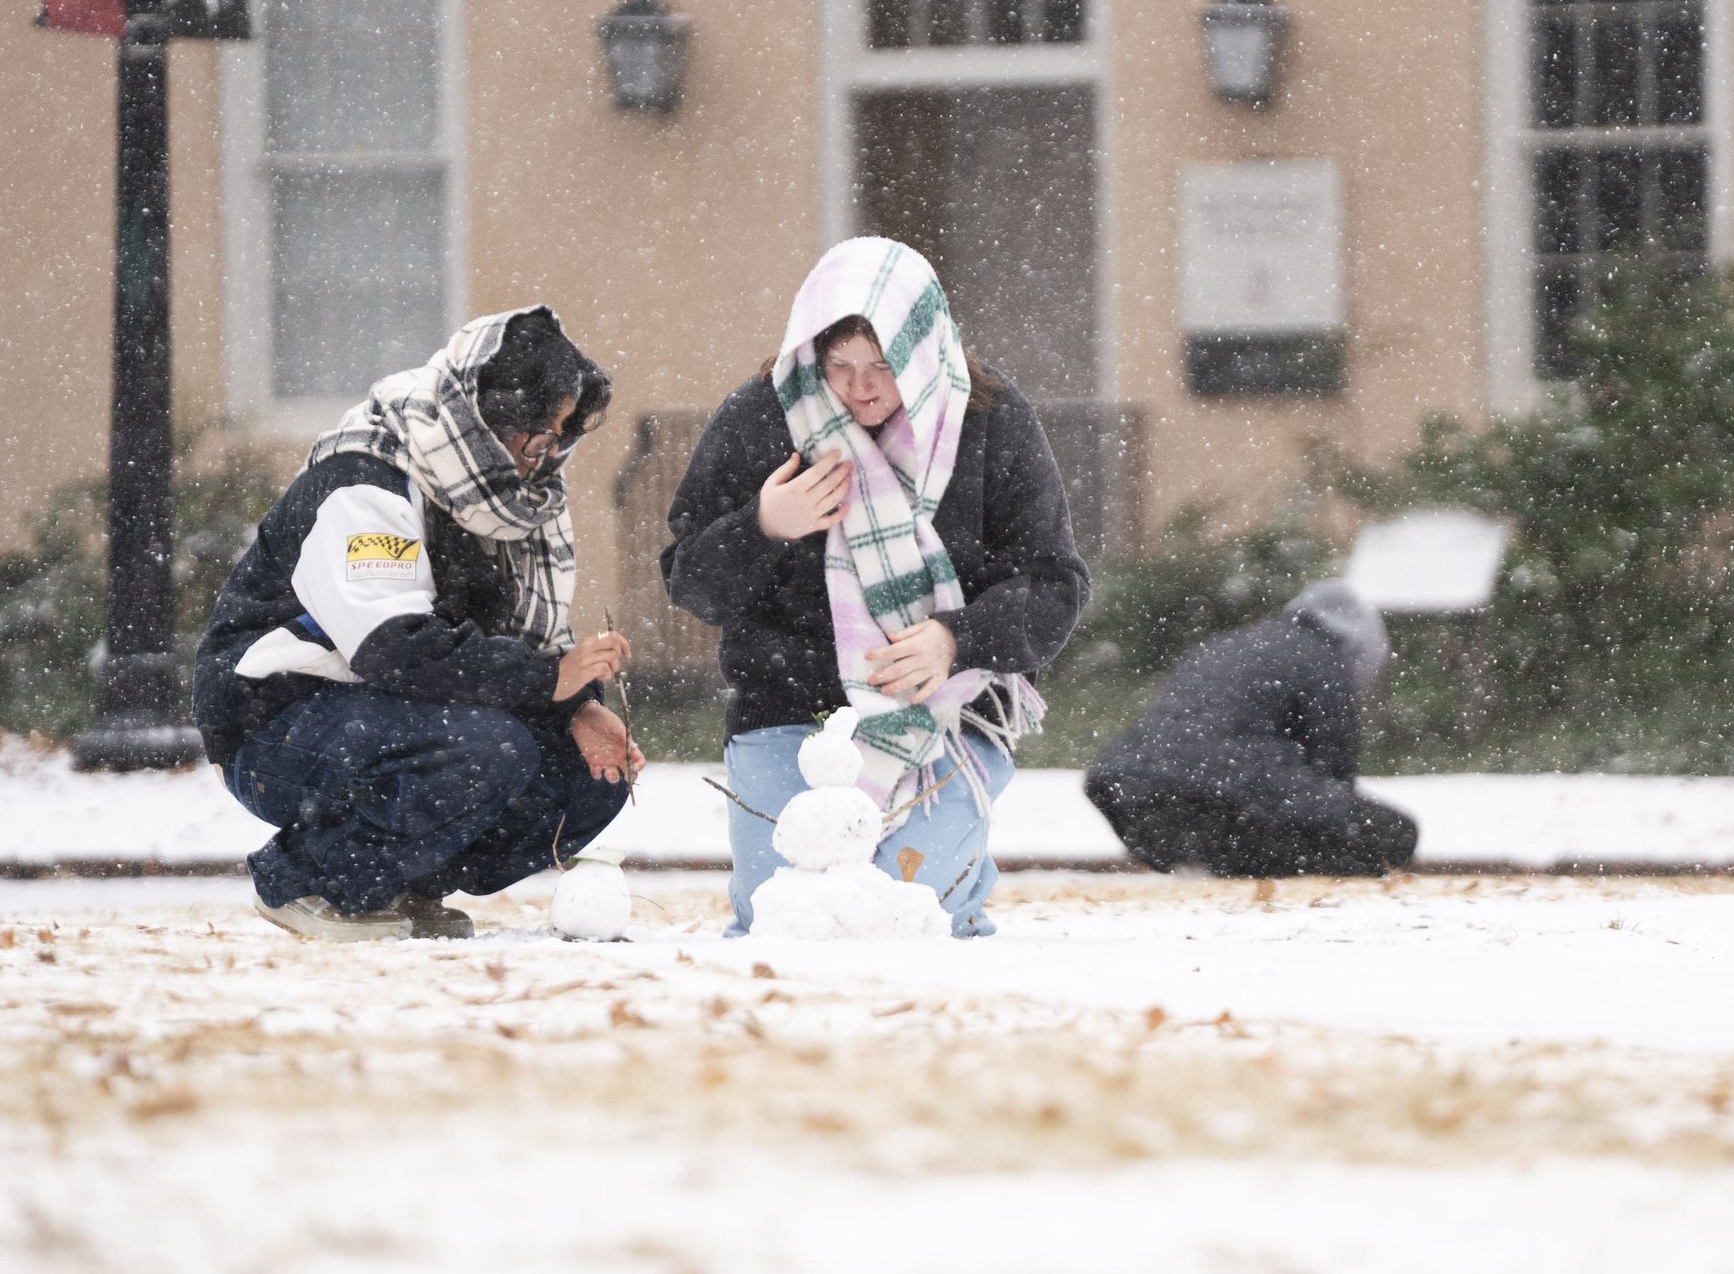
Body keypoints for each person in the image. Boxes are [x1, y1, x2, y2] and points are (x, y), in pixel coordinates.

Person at [660, 237, 1088, 938]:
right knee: (783, 916)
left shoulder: (991, 422)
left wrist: (957, 637)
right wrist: (765, 524)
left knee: (909, 910)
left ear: (923, 350)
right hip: (787, 708)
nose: (860, 388)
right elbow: (689, 584)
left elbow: (1055, 584)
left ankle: (958, 864)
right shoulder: (763, 417)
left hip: (944, 710)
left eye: (883, 367)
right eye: (839, 367)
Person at [194, 308, 643, 940]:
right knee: (486, 748)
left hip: (398, 711)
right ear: (484, 418)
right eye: (537, 434)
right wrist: (549, 679)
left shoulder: (506, 501)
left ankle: (401, 882)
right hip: (279, 718)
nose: (545, 454)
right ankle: (309, 881)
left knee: (589, 772)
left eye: (560, 434)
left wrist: (576, 705)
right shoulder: (366, 480)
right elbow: (393, 648)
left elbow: (515, 640)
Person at [1085, 580, 1418, 877]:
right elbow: (1333, 776)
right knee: (1394, 831)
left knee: (1262, 809)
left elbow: (1185, 728)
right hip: (1222, 805)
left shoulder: (1232, 642)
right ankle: (1233, 861)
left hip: (1134, 798)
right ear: (1359, 647)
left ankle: (1201, 861)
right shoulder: (1323, 660)